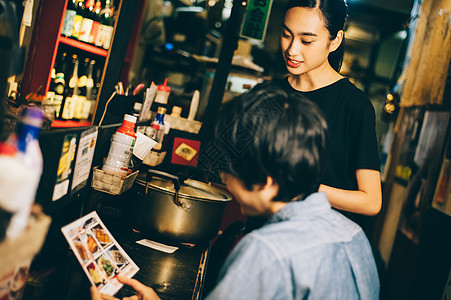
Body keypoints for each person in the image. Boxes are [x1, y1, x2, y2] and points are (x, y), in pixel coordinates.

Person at [91, 87, 380, 299]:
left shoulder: (266, 251)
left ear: (265, 183)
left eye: (230, 177)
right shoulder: (353, 235)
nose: (228, 186)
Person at [260, 0, 382, 234]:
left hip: (315, 247)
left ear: (334, 40)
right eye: (286, 35)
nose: (292, 49)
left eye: (307, 40)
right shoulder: (267, 96)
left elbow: (371, 202)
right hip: (263, 236)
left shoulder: (354, 106)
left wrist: (306, 188)